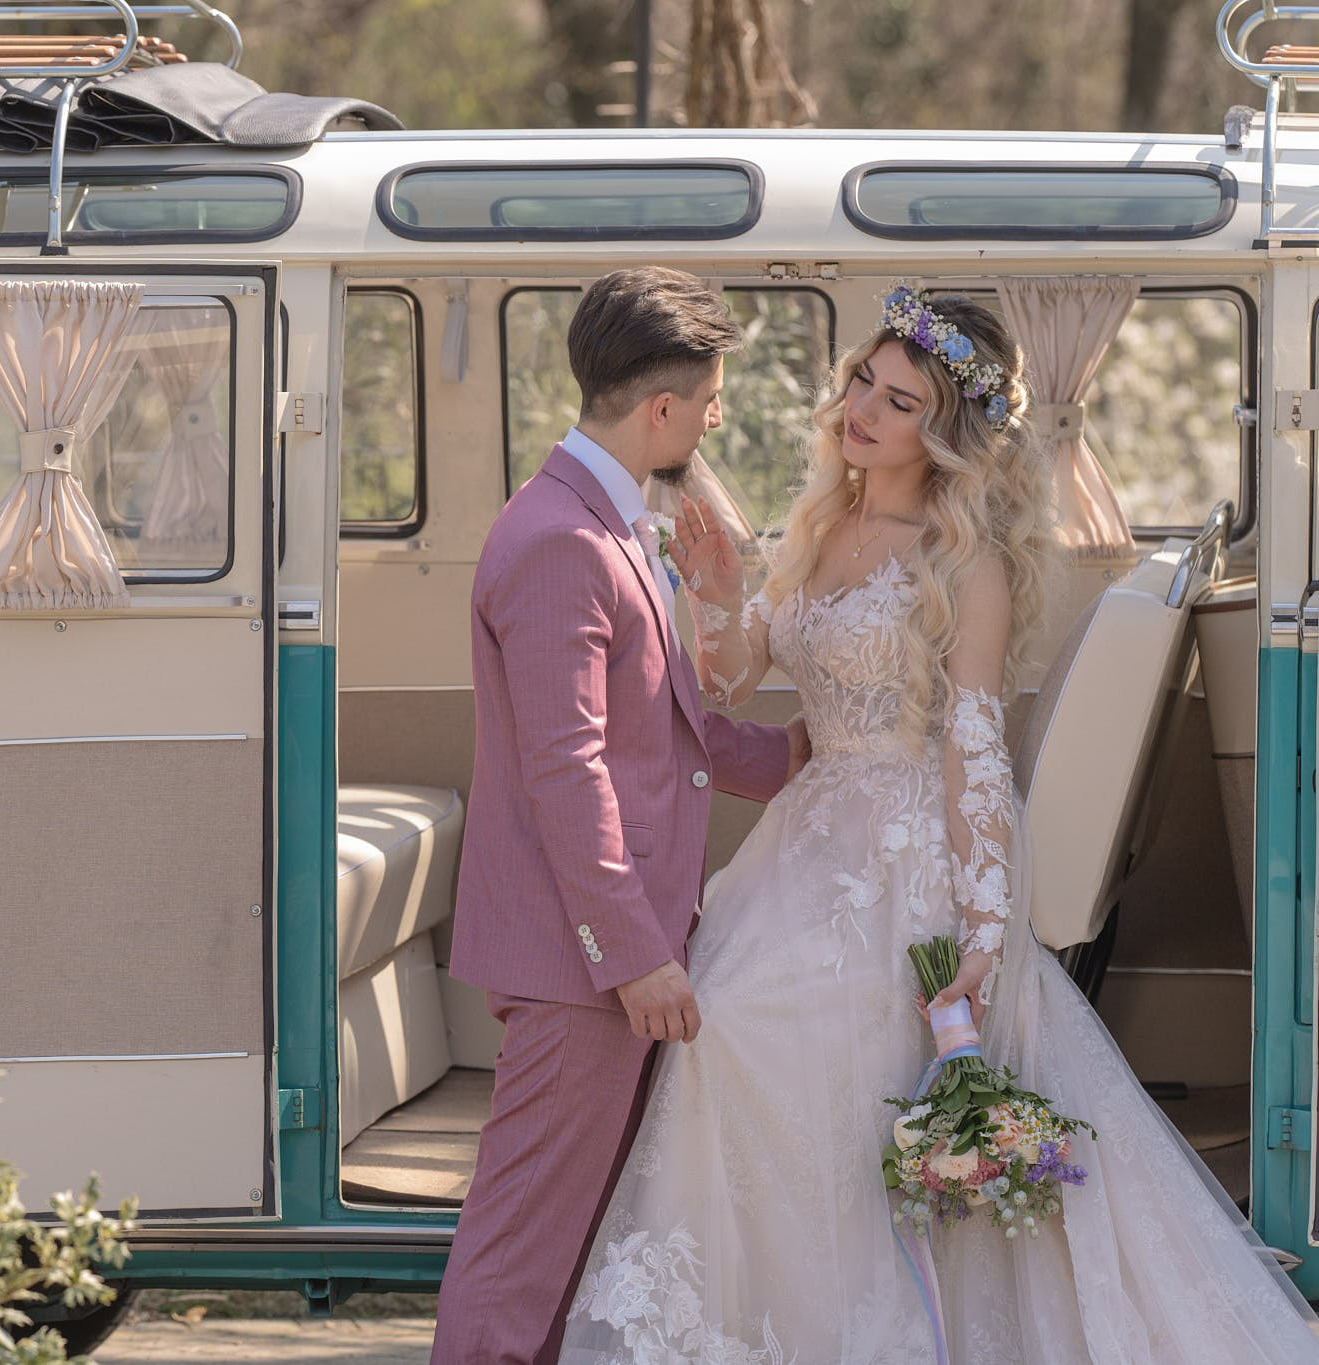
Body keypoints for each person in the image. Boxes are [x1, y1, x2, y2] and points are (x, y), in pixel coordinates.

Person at [556, 286, 1319, 1363]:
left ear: (945, 433)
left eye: (899, 401)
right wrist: (716, 591)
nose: (862, 410)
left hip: (903, 854)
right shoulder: (819, 524)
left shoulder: (964, 561)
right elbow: (727, 679)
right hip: (804, 842)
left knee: (763, 1039)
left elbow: (972, 747)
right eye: (862, 383)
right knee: (722, 1023)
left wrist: (983, 928)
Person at [433, 266, 809, 1365]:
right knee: (521, 1250)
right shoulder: (563, 540)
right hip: (583, 960)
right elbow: (567, 769)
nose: (713, 422)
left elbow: (665, 732)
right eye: (710, 403)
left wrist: (807, 755)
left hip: (604, 951)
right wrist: (635, 954)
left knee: (572, 1245)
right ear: (662, 409)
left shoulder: (605, 520)